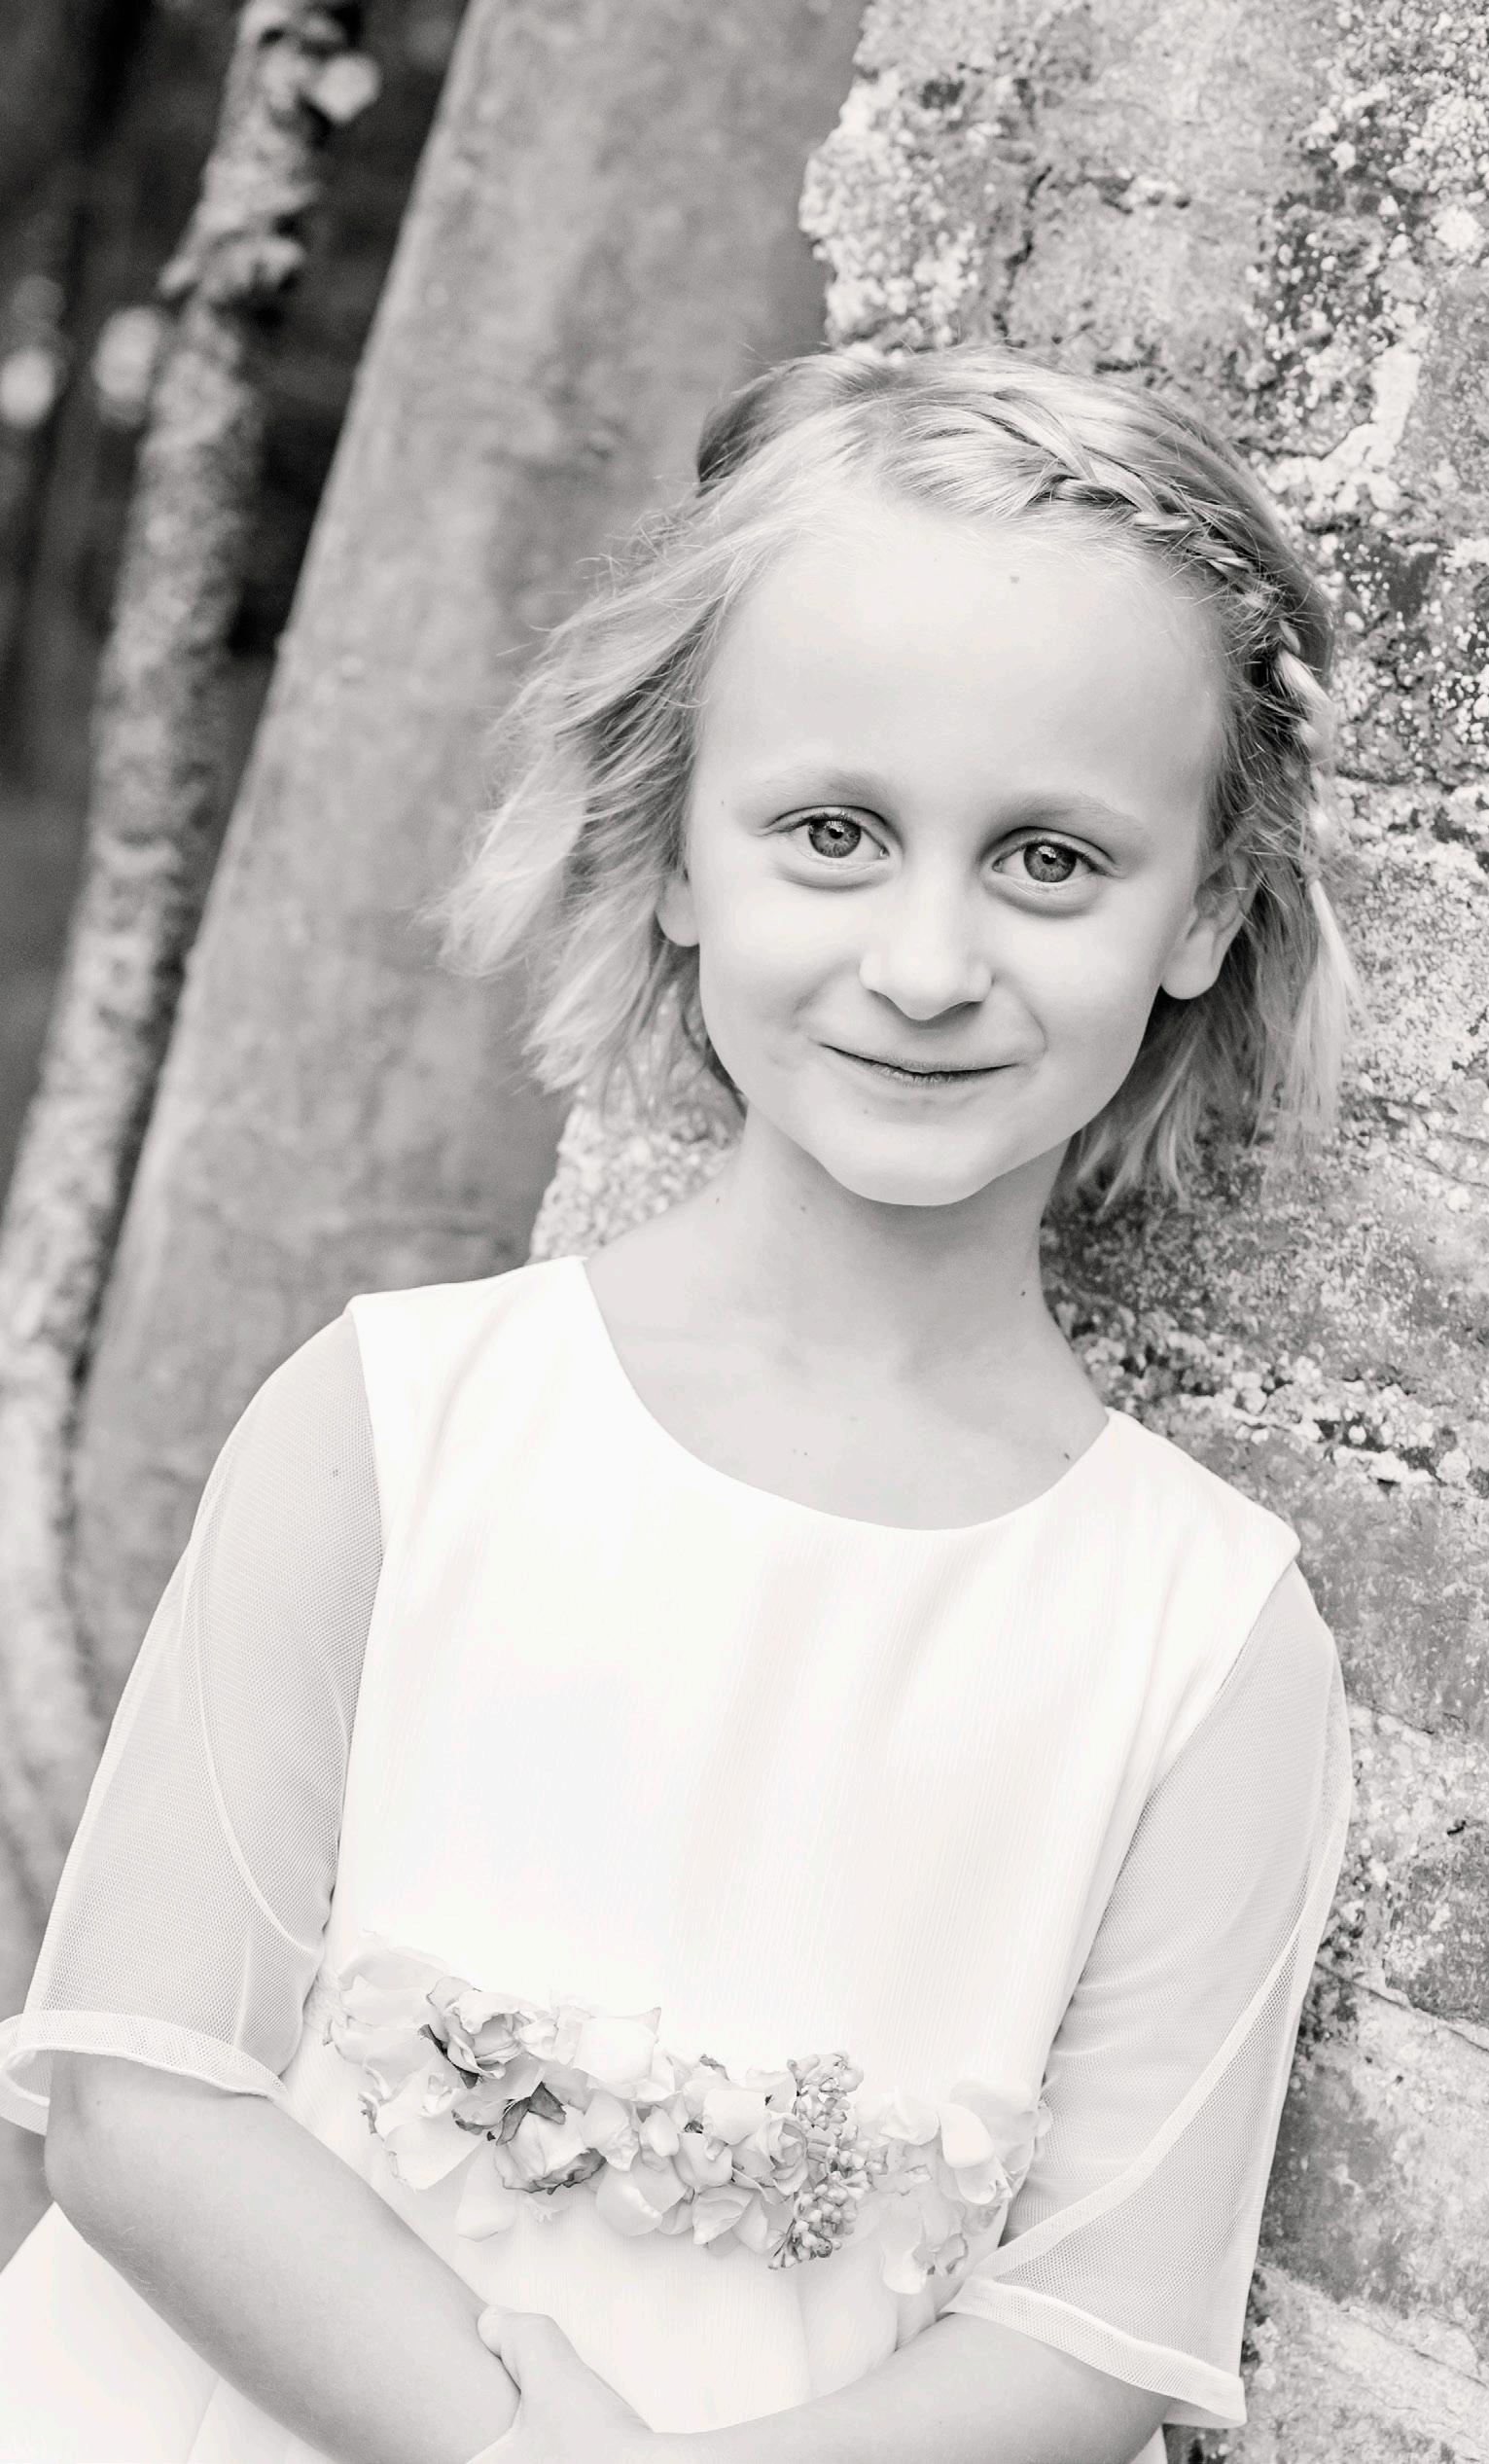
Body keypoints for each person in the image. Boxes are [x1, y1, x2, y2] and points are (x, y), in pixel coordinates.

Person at [0, 341, 1356, 2464]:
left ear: (1208, 910)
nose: (927, 960)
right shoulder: (396, 1427)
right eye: (833, 831)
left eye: (1049, 860)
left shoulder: (1203, 1644)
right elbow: (138, 2099)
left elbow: (1092, 2334)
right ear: (671, 851)